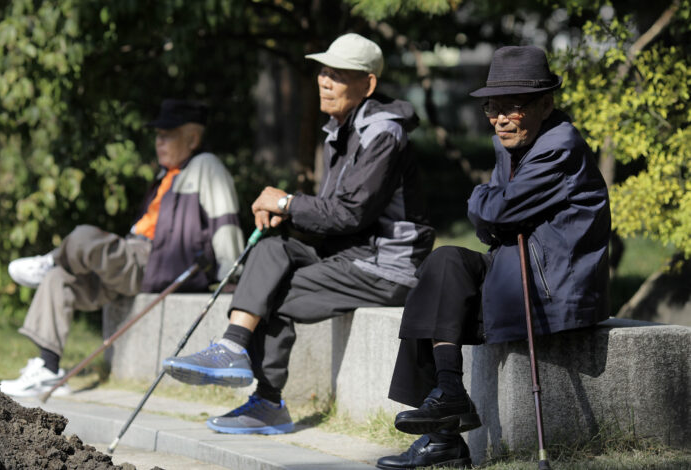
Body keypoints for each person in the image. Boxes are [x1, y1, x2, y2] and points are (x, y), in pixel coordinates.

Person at [162, 33, 435, 435]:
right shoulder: (342, 130)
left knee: (269, 293)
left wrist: (287, 203)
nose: (325, 81)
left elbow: (350, 214)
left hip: (388, 266)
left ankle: (267, 400)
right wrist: (286, 217)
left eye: (339, 74)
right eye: (324, 71)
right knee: (272, 249)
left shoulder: (382, 133)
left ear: (368, 84)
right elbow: (335, 216)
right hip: (352, 253)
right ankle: (233, 346)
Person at [376, 46, 611, 469]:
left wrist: (484, 200)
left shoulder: (559, 146)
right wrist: (494, 208)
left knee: (442, 299)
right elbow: (491, 226)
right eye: (492, 107)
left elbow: (495, 212)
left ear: (545, 104)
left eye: (511, 107)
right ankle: (448, 403)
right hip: (513, 270)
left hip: (552, 291)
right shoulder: (513, 145)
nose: (499, 118)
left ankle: (442, 435)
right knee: (443, 264)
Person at [0, 99, 245, 398]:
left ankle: (52, 260)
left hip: (156, 262)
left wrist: (231, 273)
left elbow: (224, 221)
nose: (159, 142)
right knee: (58, 280)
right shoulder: (166, 175)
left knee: (83, 236)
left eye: (167, 135)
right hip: (134, 258)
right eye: (157, 135)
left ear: (193, 139)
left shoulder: (206, 166)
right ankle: (47, 369)